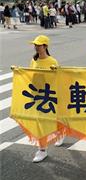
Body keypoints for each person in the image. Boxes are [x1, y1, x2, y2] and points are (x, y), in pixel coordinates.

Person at [29, 35, 62, 163]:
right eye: (35, 45)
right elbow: (30, 76)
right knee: (40, 121)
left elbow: (58, 78)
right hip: (37, 95)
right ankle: (42, 149)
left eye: (39, 45)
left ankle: (59, 133)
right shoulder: (34, 60)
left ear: (46, 46)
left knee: (53, 120)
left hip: (50, 96)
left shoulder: (52, 61)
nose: (36, 47)